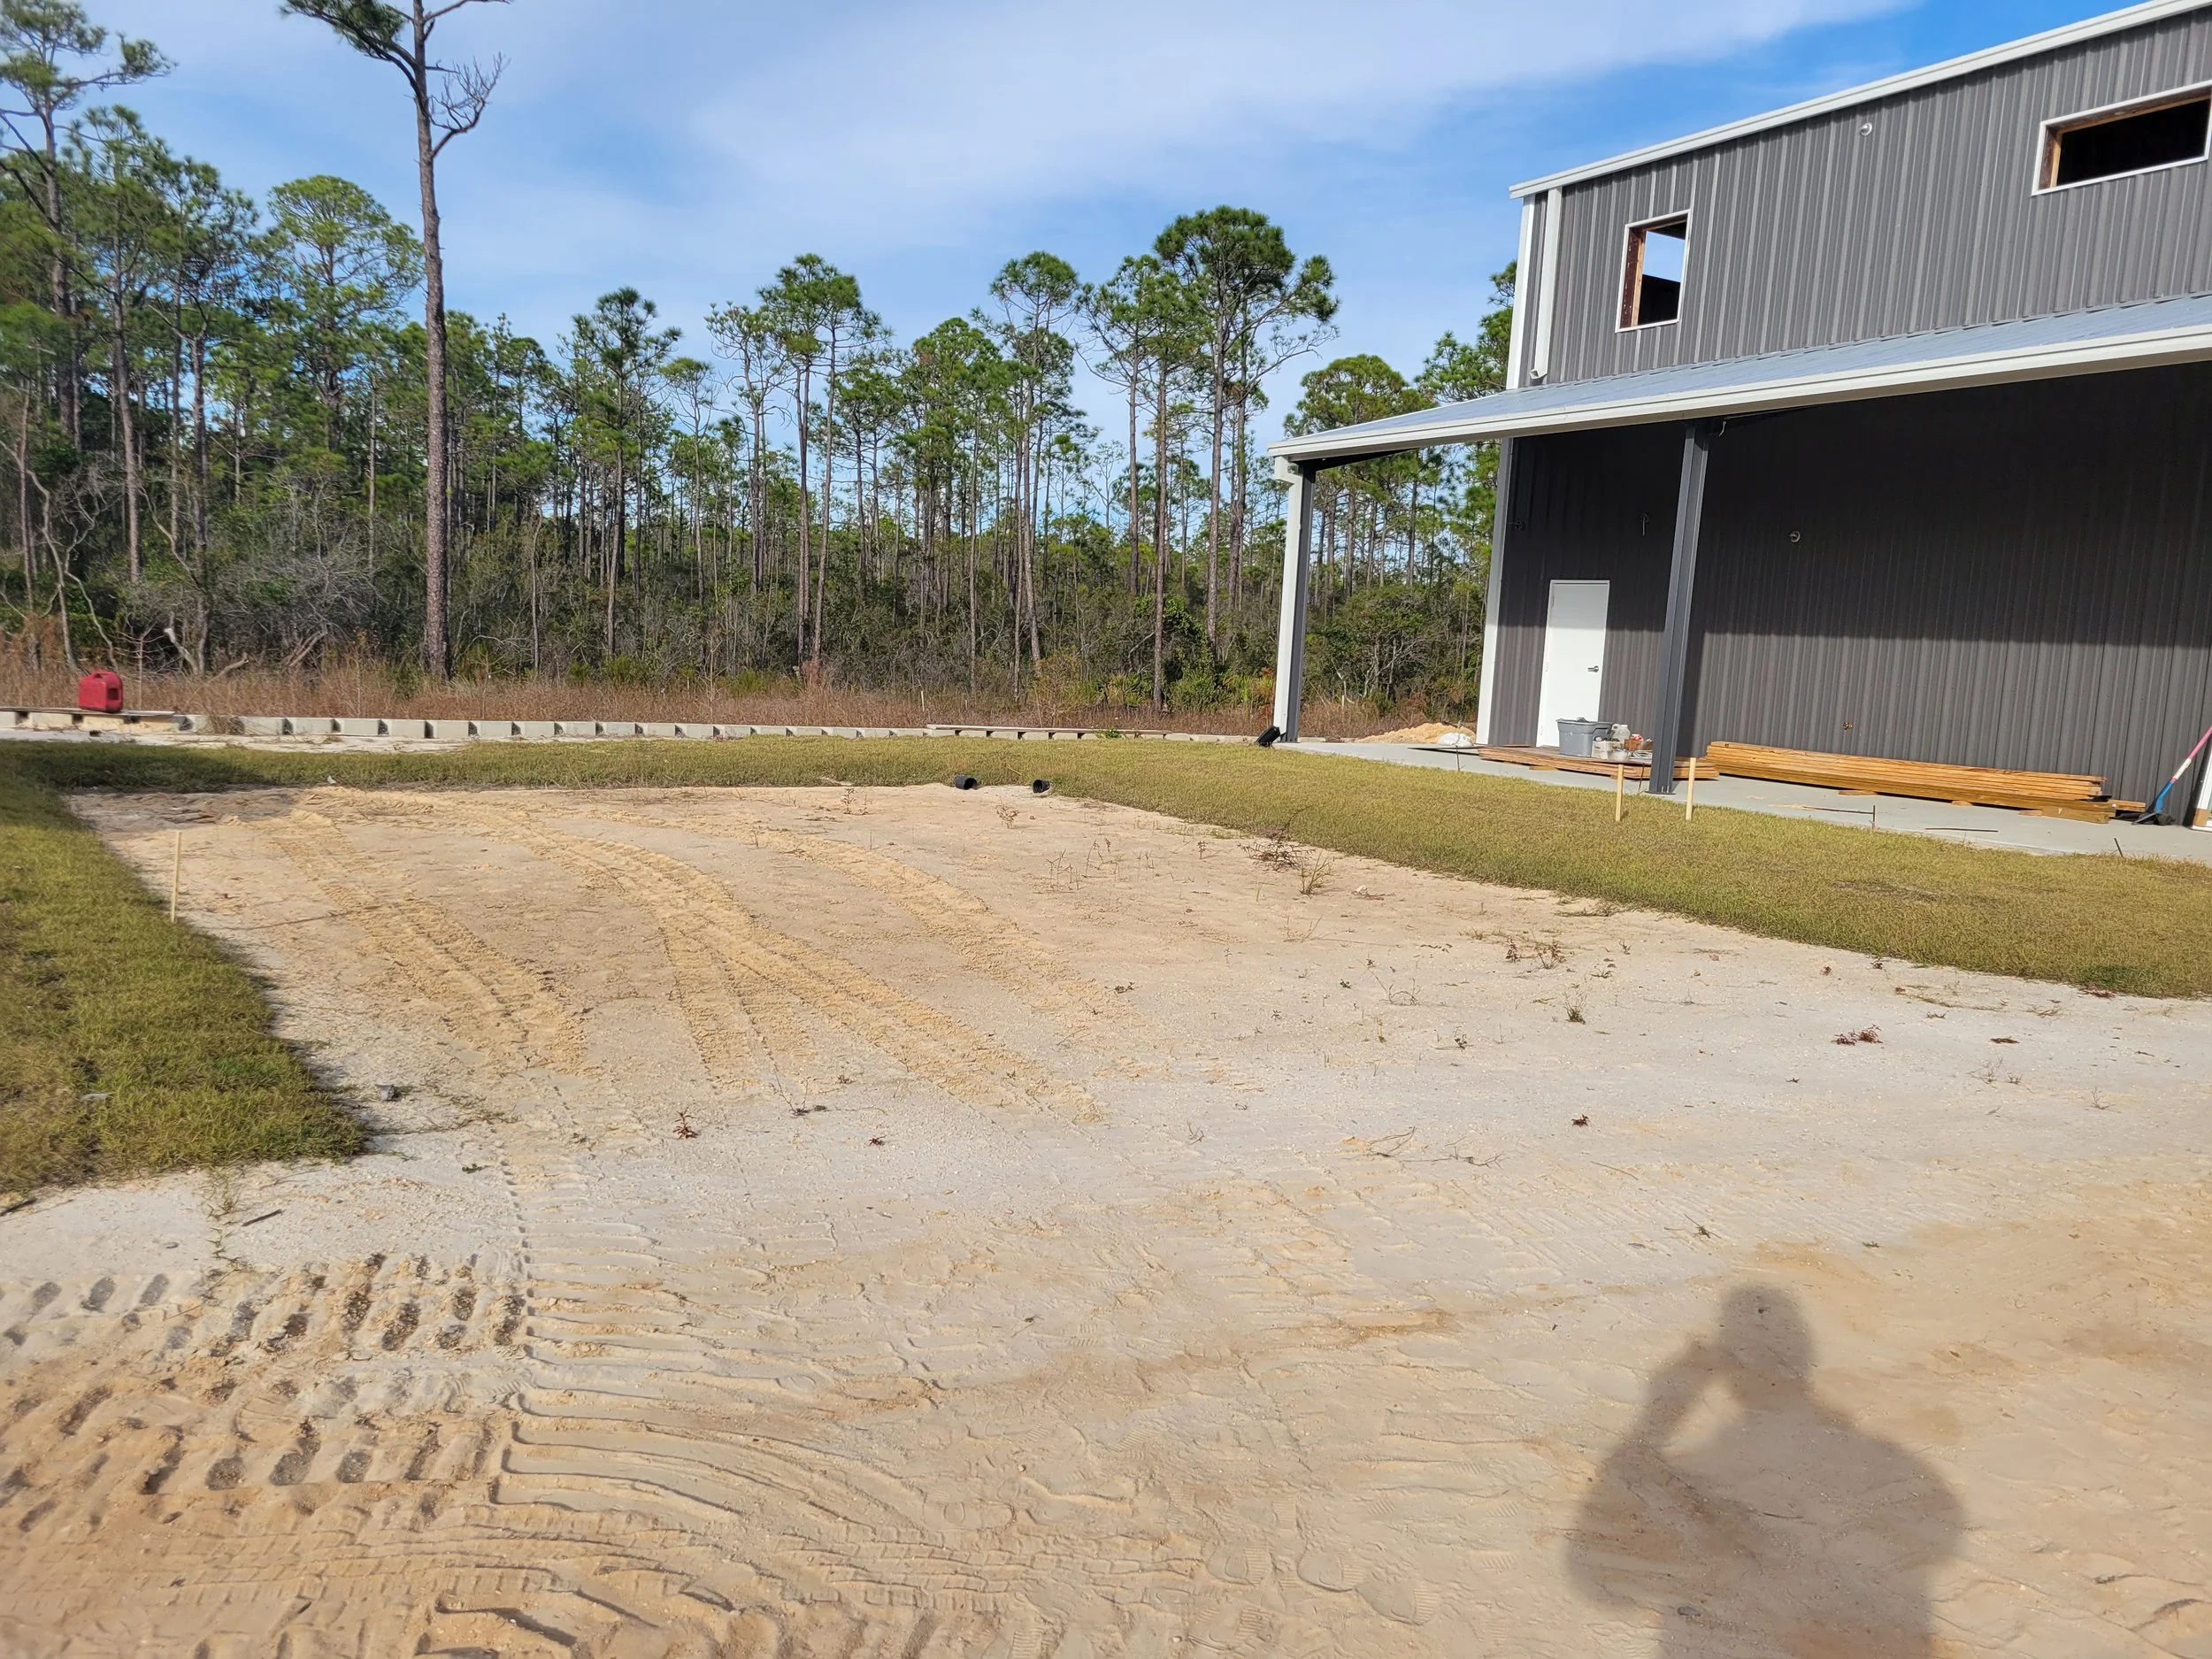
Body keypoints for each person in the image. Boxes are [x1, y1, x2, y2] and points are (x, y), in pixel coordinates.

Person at [1568, 1285, 1962, 1656]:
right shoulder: (1903, 1468)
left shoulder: (1707, 1463)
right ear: (1805, 1357)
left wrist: (1663, 1411)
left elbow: (1595, 1580)